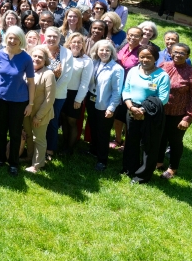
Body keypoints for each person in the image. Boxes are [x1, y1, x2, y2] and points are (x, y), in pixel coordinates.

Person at [0, 26, 36, 176]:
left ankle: (14, 163)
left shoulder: (26, 58)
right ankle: (1, 158)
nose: (12, 40)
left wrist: (30, 104)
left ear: (20, 40)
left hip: (19, 101)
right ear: (6, 38)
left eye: (16, 38)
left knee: (15, 133)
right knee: (1, 130)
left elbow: (31, 82)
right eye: (10, 37)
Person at [122, 44, 170, 184]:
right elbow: (126, 89)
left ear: (155, 58)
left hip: (151, 112)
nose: (145, 60)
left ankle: (142, 175)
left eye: (149, 57)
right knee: (131, 140)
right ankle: (129, 168)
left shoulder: (162, 76)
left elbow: (163, 98)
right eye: (142, 56)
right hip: (132, 108)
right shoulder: (132, 71)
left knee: (149, 145)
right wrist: (131, 107)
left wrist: (143, 110)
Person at [157, 43, 192, 180]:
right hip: (162, 111)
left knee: (175, 141)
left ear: (188, 56)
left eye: (182, 53)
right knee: (160, 138)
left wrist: (187, 118)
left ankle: (172, 168)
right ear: (171, 53)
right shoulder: (163, 67)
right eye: (175, 52)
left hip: (179, 114)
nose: (178, 55)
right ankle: (159, 162)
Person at [87, 39, 124, 171]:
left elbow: (117, 91)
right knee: (94, 126)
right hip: (91, 100)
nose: (104, 52)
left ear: (112, 52)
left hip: (105, 104)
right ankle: (94, 150)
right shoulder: (94, 63)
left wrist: (111, 108)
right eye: (101, 50)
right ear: (97, 51)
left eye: (107, 50)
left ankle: (102, 160)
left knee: (103, 132)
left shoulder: (117, 69)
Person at [22, 45, 56, 174]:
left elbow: (49, 99)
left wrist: (38, 116)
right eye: (34, 56)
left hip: (41, 113)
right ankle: (30, 157)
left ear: (45, 60)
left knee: (39, 139)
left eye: (40, 57)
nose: (36, 59)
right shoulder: (27, 70)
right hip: (27, 111)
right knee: (30, 136)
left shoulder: (48, 74)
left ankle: (37, 164)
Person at [57, 32, 93, 154]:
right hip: (62, 91)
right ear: (69, 43)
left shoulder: (86, 61)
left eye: (79, 42)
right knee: (63, 118)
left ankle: (70, 148)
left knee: (71, 121)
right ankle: (64, 143)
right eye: (74, 42)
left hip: (75, 94)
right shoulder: (64, 56)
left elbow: (85, 83)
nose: (76, 44)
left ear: (83, 44)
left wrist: (78, 99)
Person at [43, 26, 73, 161]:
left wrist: (51, 93)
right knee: (39, 120)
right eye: (49, 36)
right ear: (44, 36)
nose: (51, 39)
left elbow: (66, 76)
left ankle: (50, 149)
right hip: (40, 93)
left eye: (55, 37)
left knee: (52, 121)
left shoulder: (67, 53)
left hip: (58, 94)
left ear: (60, 38)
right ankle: (37, 147)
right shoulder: (40, 49)